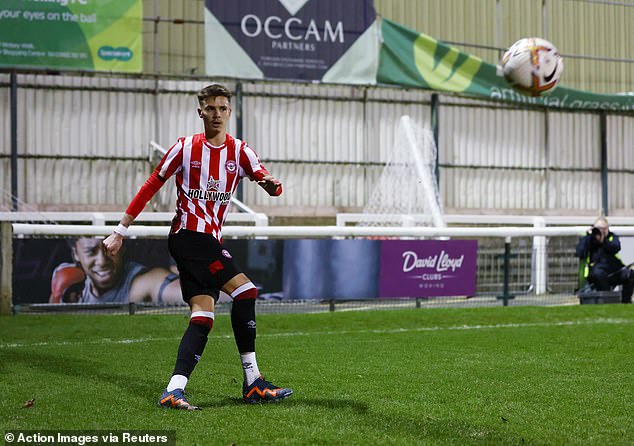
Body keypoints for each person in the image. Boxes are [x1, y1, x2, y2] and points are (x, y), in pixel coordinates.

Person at [102, 84, 292, 409]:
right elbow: (152, 185)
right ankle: (253, 382)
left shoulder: (240, 152)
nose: (216, 114)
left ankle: (174, 389)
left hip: (208, 241)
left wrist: (271, 185)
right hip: (189, 236)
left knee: (203, 314)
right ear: (200, 111)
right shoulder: (185, 147)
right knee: (245, 292)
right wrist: (120, 230)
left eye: (222, 108)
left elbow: (266, 180)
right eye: (210, 109)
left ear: (230, 112)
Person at [49, 237, 182, 305]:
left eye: (110, 249)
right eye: (91, 252)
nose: (102, 261)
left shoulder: (140, 283)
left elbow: (173, 290)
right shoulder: (67, 280)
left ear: (122, 247)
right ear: (76, 254)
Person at [575, 216, 633, 304]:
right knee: (598, 274)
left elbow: (616, 247)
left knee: (630, 274)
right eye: (598, 229)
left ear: (607, 228)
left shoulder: (611, 237)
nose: (600, 231)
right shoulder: (587, 238)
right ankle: (607, 300)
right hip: (596, 273)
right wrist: (589, 237)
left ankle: (626, 301)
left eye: (603, 229)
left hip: (613, 270)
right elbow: (579, 252)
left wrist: (603, 240)